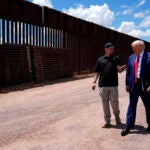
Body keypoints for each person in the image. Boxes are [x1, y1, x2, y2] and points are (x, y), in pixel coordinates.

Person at [92, 42, 126, 128]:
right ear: (106, 49)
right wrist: (94, 82)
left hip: (113, 85)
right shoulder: (100, 59)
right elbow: (97, 72)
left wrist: (122, 68)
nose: (112, 50)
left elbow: (119, 70)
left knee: (115, 103)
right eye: (110, 48)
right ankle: (107, 121)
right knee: (105, 104)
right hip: (103, 85)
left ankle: (117, 118)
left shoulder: (116, 58)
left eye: (113, 48)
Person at [121, 40, 150, 136]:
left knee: (148, 105)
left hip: (145, 86)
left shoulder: (149, 56)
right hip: (133, 85)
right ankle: (129, 126)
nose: (132, 49)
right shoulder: (131, 57)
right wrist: (127, 84)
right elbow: (128, 72)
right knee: (132, 105)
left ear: (141, 47)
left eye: (134, 47)